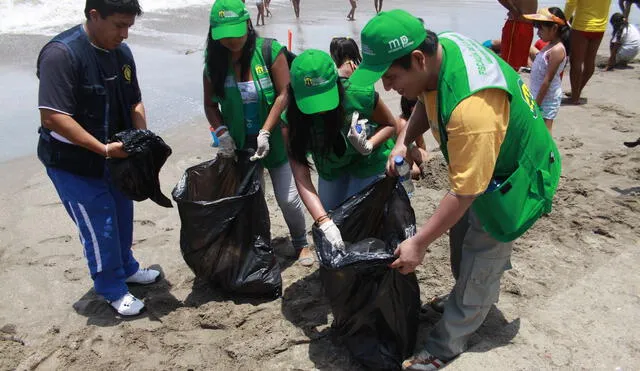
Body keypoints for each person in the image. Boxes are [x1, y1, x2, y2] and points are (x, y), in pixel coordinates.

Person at [350, 10, 561, 369]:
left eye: (390, 76)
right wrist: (404, 139)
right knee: (461, 237)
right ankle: (464, 293)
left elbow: (464, 193)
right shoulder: (440, 49)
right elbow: (425, 99)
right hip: (483, 160)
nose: (387, 87)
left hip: (514, 177)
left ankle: (446, 344)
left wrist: (418, 243)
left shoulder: (472, 110)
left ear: (417, 59)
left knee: (482, 252)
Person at [36, 0, 160, 317]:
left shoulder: (121, 54)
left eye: (129, 26)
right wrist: (103, 149)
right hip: (73, 162)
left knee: (121, 214)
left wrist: (140, 138)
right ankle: (111, 287)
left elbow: (134, 101)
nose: (125, 34)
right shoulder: (62, 54)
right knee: (99, 224)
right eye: (119, 25)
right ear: (94, 15)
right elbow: (53, 116)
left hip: (115, 156)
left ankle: (127, 268)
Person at [203, 0, 313, 265]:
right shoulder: (214, 63)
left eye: (235, 32)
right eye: (224, 36)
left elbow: (284, 93)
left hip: (275, 140)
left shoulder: (268, 51)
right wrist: (221, 132)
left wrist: (265, 130)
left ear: (248, 24)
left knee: (287, 198)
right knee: (252, 200)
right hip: (240, 146)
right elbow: (210, 104)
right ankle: (259, 244)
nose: (230, 40)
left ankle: (300, 242)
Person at [283, 49, 400, 247]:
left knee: (362, 217)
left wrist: (369, 144)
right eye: (312, 102)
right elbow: (301, 175)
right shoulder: (291, 120)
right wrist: (323, 221)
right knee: (332, 217)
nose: (320, 109)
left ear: (336, 83)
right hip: (331, 167)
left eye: (324, 98)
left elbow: (390, 124)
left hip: (368, 161)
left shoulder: (359, 94)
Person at [524, 7, 570, 132]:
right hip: (537, 93)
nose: (538, 32)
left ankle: (548, 152)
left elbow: (547, 80)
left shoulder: (557, 50)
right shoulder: (549, 46)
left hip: (546, 98)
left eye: (541, 28)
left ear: (554, 28)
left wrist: (537, 104)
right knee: (535, 129)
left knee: (544, 130)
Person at [564, 0, 612, 104]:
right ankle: (576, 91)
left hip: (582, 25)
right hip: (600, 27)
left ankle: (575, 98)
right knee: (590, 61)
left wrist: (563, 21)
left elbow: (570, 3)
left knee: (576, 61)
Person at [498, 0, 538, 70]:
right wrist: (513, 10)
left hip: (527, 25)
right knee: (509, 65)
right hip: (517, 25)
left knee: (518, 65)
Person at [398, 97, 430, 180]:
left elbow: (420, 141)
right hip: (397, 150)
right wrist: (412, 163)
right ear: (411, 108)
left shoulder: (415, 122)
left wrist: (426, 163)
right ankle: (394, 174)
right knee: (416, 172)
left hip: (408, 147)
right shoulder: (402, 123)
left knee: (427, 158)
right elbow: (403, 149)